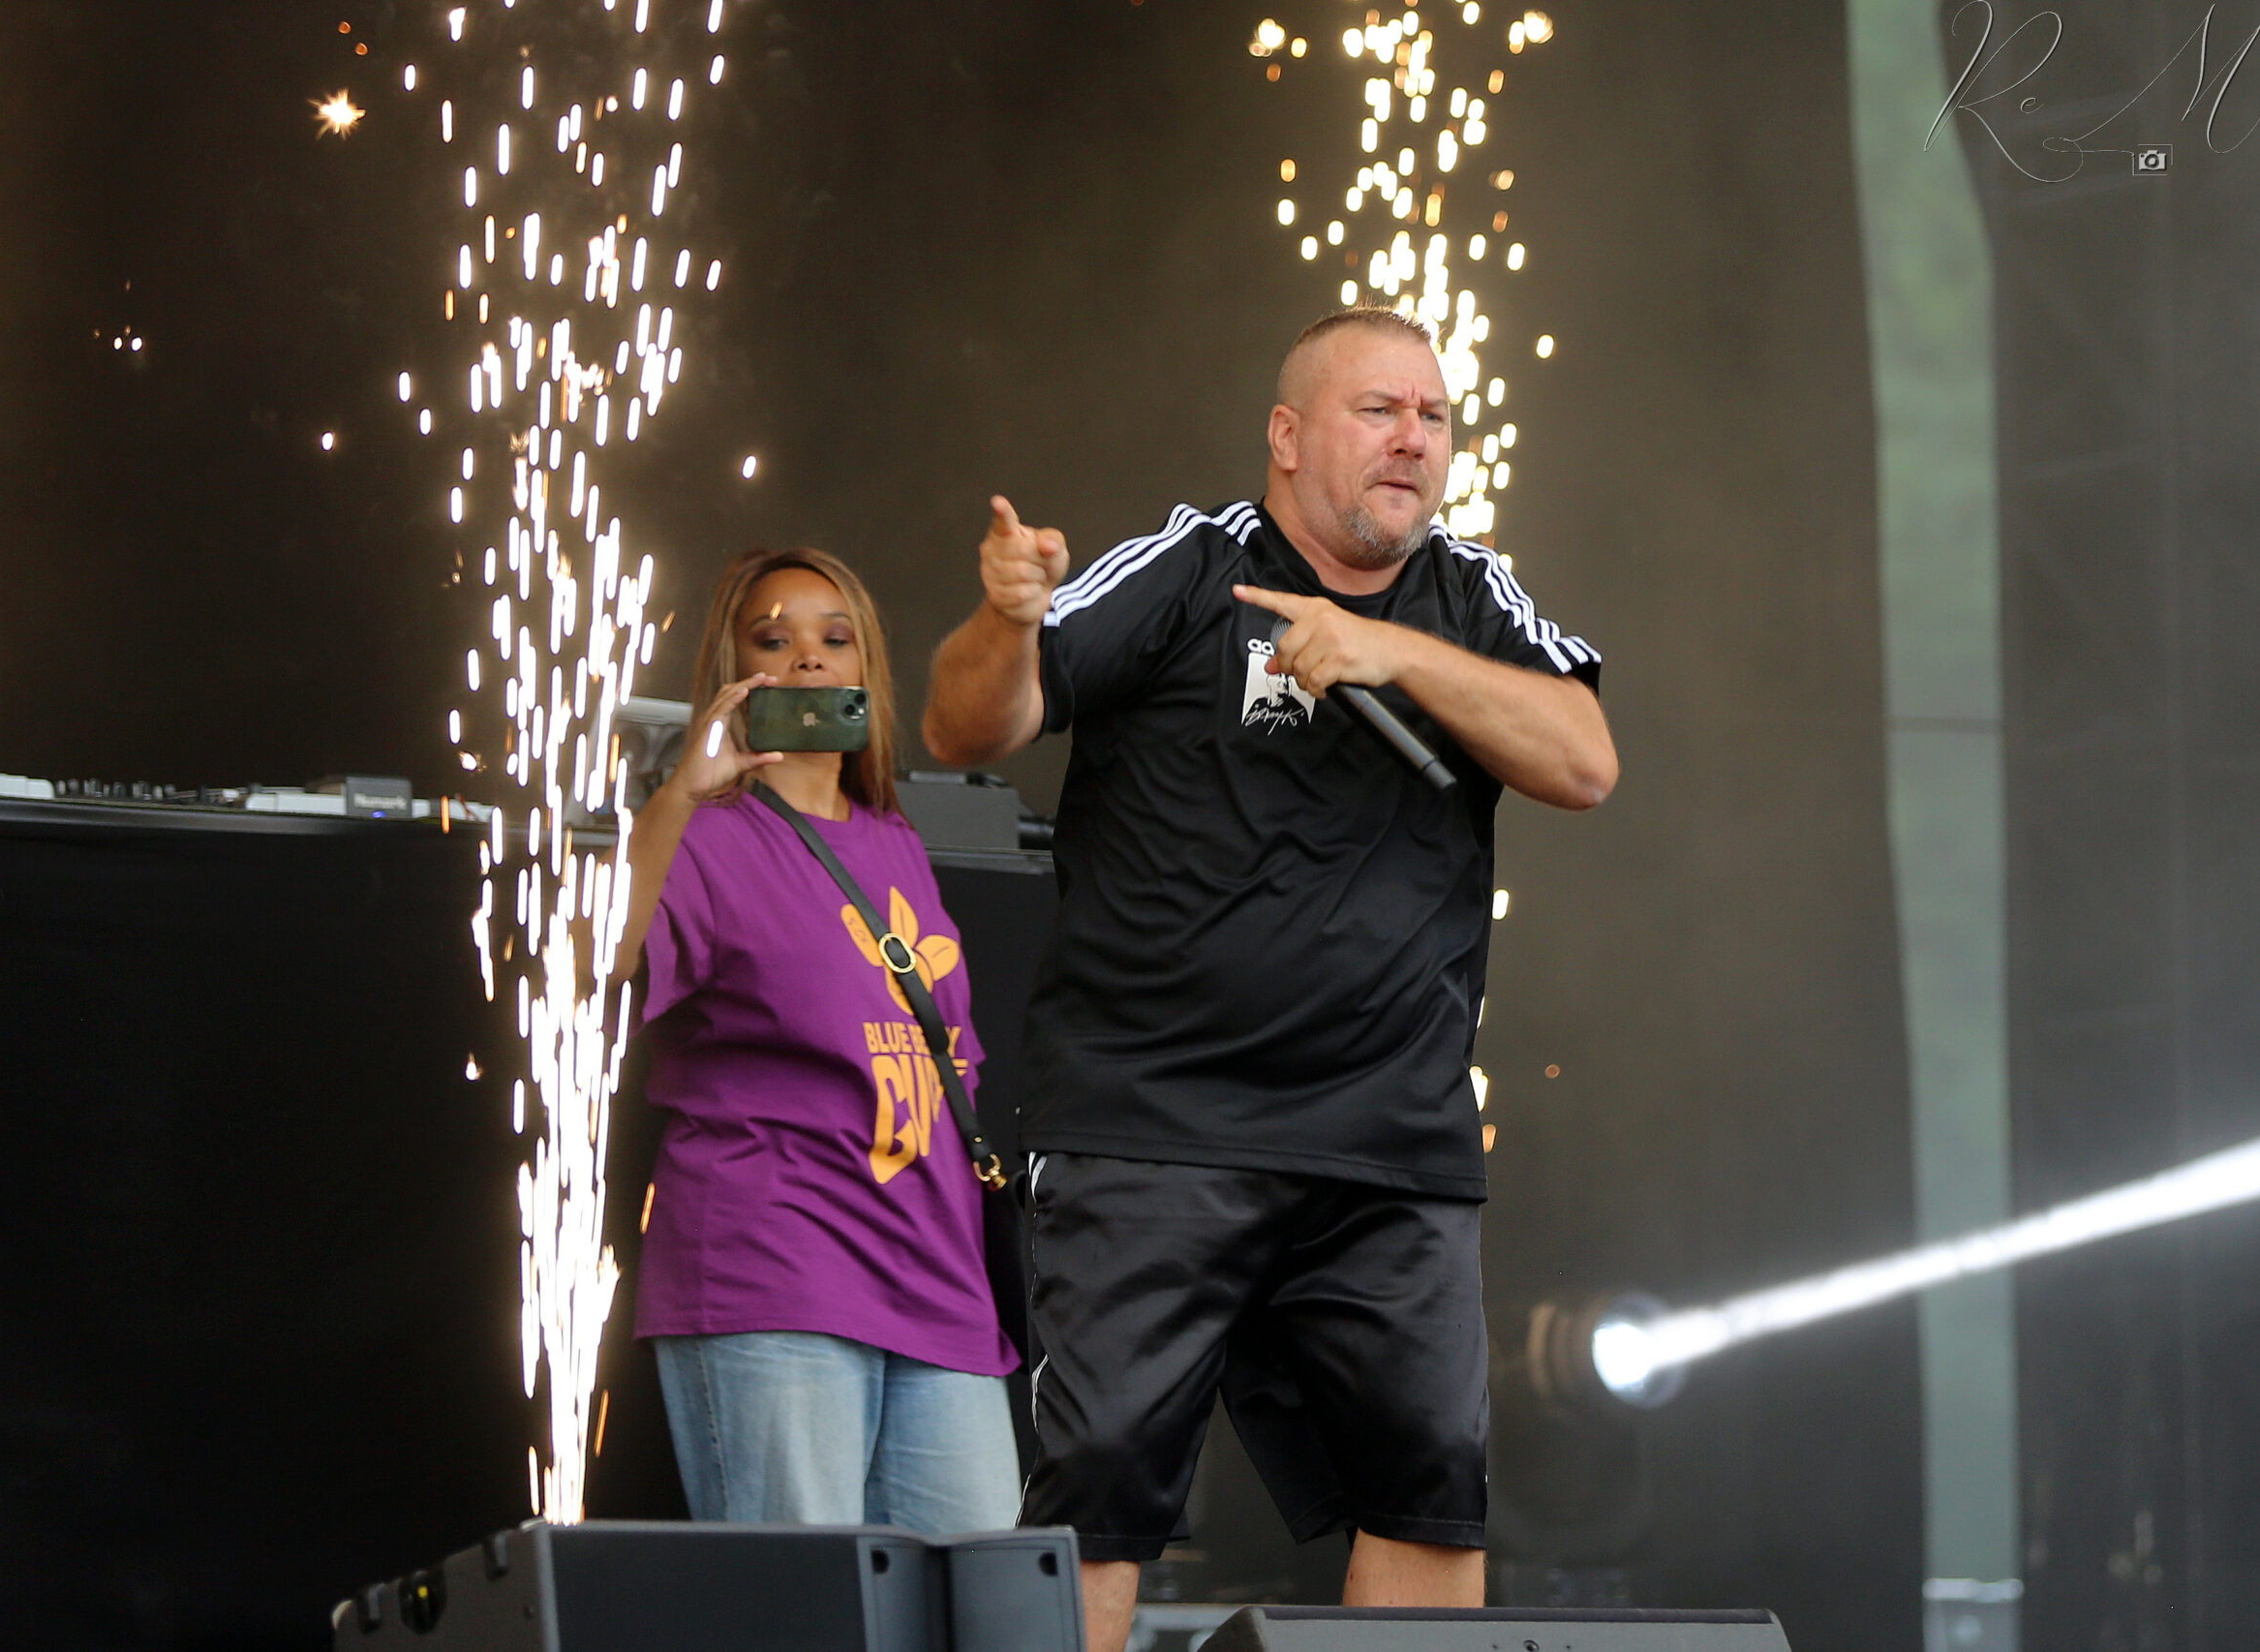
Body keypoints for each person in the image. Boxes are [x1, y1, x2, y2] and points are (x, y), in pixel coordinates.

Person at [923, 308, 1616, 1651]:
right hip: (1149, 1128)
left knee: (1426, 1489)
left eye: (1434, 416)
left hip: (1388, 1142)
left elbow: (1585, 760)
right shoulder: (1189, 566)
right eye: (1379, 411)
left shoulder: (1470, 596)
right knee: (1102, 1491)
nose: (1414, 438)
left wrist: (1392, 652)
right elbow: (968, 723)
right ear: (1288, 437)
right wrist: (1006, 624)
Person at [615, 545, 1022, 1535]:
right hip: (776, 1262)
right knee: (809, 1617)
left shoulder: (893, 839)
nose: (807, 659)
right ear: (731, 669)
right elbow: (607, 964)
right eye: (773, 638)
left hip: (935, 1277)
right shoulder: (709, 835)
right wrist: (679, 792)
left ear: (864, 673)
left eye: (835, 639)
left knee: (989, 1604)